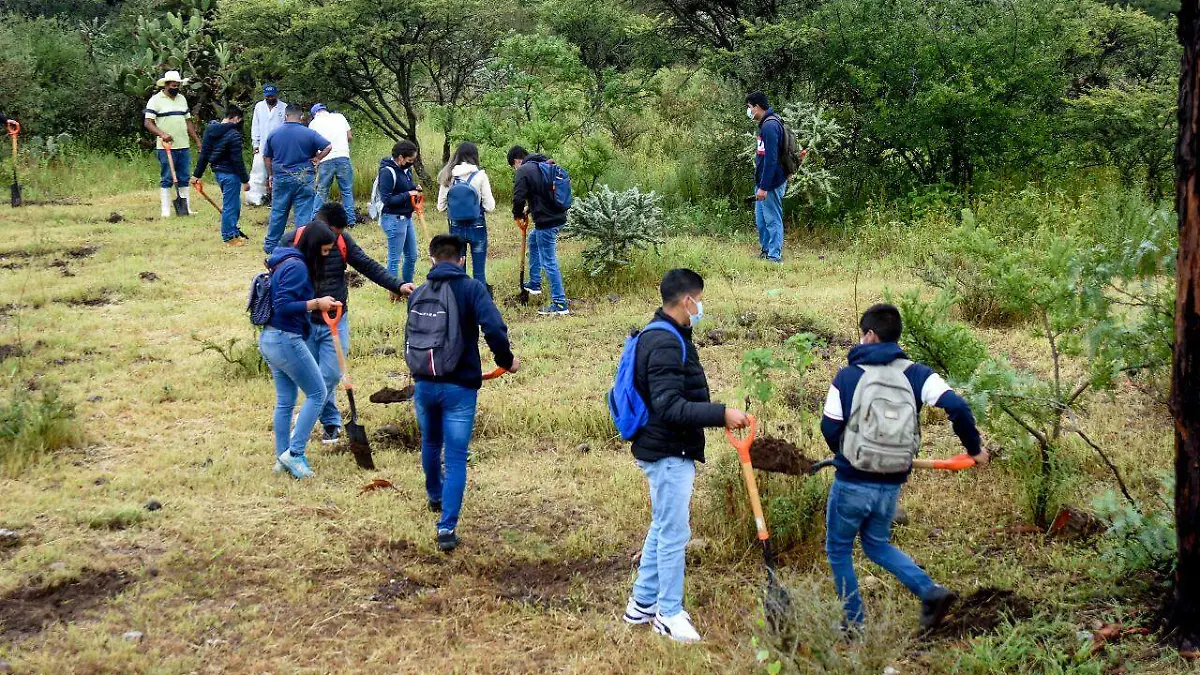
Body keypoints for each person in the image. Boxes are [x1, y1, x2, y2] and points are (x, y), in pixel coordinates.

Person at [820, 303, 988, 634]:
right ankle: (930, 592)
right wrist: (974, 449)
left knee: (839, 548)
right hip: (892, 480)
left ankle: (853, 624)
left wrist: (847, 455)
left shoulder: (848, 376)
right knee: (877, 544)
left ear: (869, 335)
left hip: (853, 479)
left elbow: (829, 427)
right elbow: (957, 405)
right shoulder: (918, 374)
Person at [622, 269, 749, 644]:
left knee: (663, 526)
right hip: (666, 449)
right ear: (687, 301)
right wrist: (720, 413)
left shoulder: (666, 333)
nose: (701, 308)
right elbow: (670, 406)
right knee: (675, 532)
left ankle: (641, 604)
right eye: (699, 300)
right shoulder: (663, 342)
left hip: (663, 446)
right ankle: (668, 613)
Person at [411, 234, 519, 552]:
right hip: (459, 387)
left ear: (431, 259)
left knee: (430, 442)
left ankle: (435, 495)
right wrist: (506, 361)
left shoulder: (419, 292)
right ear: (462, 260)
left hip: (424, 382)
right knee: (456, 457)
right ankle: (446, 527)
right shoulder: (472, 288)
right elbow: (495, 329)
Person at [282, 204, 412, 445]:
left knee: (329, 374)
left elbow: (366, 264)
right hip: (305, 322)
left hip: (336, 319)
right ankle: (331, 423)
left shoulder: (342, 241)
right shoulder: (293, 241)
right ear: (320, 225)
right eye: (334, 233)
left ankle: (308, 413)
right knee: (315, 376)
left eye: (340, 234)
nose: (336, 238)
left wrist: (397, 285)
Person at [258, 222, 343, 479]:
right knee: (318, 392)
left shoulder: (285, 260)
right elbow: (283, 305)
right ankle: (295, 454)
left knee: (285, 401)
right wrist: (317, 303)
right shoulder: (297, 267)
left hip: (270, 338)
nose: (326, 256)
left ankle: (282, 457)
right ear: (314, 246)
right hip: (285, 338)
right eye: (325, 251)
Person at [262, 104, 332, 254]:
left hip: (281, 177)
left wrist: (271, 175)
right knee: (303, 214)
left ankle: (271, 246)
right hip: (304, 177)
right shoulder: (309, 133)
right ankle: (302, 245)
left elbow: (267, 157)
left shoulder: (274, 134)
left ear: (285, 116)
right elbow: (328, 146)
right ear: (301, 117)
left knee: (278, 212)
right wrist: (317, 158)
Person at [508, 145, 569, 315]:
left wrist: (517, 214)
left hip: (546, 222)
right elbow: (543, 194)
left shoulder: (523, 170)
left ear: (515, 161)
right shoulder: (544, 165)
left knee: (549, 260)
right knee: (533, 240)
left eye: (513, 167)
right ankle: (534, 283)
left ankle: (560, 303)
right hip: (559, 217)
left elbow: (518, 197)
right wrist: (529, 210)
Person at [436, 141, 495, 290]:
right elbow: (490, 206)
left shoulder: (448, 175)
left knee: (458, 270)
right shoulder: (480, 175)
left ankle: (459, 302)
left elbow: (440, 207)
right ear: (475, 156)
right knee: (479, 272)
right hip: (478, 226)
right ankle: (479, 304)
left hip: (456, 228)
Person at [144, 70, 201, 218]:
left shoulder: (182, 99)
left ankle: (185, 208)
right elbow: (148, 122)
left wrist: (197, 140)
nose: (176, 88)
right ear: (166, 85)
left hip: (183, 146)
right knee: (167, 177)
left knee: (184, 177)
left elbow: (188, 121)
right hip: (165, 147)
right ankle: (166, 211)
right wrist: (162, 134)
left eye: (178, 85)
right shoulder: (155, 100)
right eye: (173, 85)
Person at [191, 105, 251, 246]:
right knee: (231, 205)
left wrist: (196, 175)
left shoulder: (210, 131)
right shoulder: (234, 135)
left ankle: (233, 232)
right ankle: (229, 236)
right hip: (231, 174)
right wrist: (245, 180)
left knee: (233, 204)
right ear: (235, 118)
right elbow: (237, 160)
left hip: (218, 172)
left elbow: (204, 154)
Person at [746, 91, 787, 263]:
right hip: (763, 182)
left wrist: (764, 187)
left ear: (757, 107)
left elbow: (771, 160)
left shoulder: (770, 126)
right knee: (761, 220)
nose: (748, 111)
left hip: (770, 183)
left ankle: (774, 256)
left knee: (772, 219)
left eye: (749, 107)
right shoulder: (765, 124)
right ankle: (766, 250)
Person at [377, 141, 422, 283]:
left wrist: (415, 188)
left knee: (412, 255)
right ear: (401, 157)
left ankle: (408, 286)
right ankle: (394, 290)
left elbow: (405, 187)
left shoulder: (406, 170)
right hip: (393, 218)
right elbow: (387, 200)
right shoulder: (387, 172)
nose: (412, 163)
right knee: (395, 258)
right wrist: (408, 194)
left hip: (406, 217)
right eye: (410, 160)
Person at [308, 104, 355, 219]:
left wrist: (316, 158)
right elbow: (350, 137)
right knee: (346, 190)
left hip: (325, 159)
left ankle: (315, 218)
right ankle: (350, 219)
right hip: (343, 156)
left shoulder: (313, 123)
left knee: (322, 191)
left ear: (314, 114)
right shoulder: (340, 117)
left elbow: (312, 144)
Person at [248, 84, 286, 206]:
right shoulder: (259, 107)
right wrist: (255, 143)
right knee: (260, 173)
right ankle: (259, 197)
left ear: (276, 95)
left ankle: (276, 198)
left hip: (279, 146)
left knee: (277, 172)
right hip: (262, 144)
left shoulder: (284, 107)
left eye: (272, 96)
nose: (270, 98)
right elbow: (256, 126)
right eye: (267, 96)